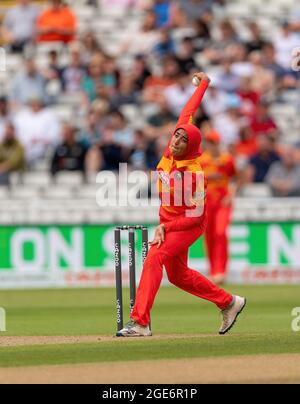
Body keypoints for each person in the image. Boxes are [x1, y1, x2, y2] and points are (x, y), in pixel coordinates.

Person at [117, 72, 246, 337]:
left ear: (192, 147)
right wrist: (204, 85)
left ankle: (140, 322)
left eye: (182, 140)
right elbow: (188, 113)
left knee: (154, 257)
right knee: (178, 275)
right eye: (176, 136)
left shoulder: (193, 175)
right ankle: (229, 302)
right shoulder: (171, 149)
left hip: (187, 225)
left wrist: (166, 226)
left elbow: (197, 219)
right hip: (170, 222)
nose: (175, 141)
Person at [200, 130, 240, 285]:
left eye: (213, 142)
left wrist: (231, 195)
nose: (211, 145)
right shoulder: (202, 160)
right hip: (206, 202)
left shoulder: (227, 160)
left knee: (220, 232)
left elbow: (235, 178)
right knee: (209, 235)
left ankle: (220, 271)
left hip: (223, 202)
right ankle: (213, 271)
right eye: (209, 142)